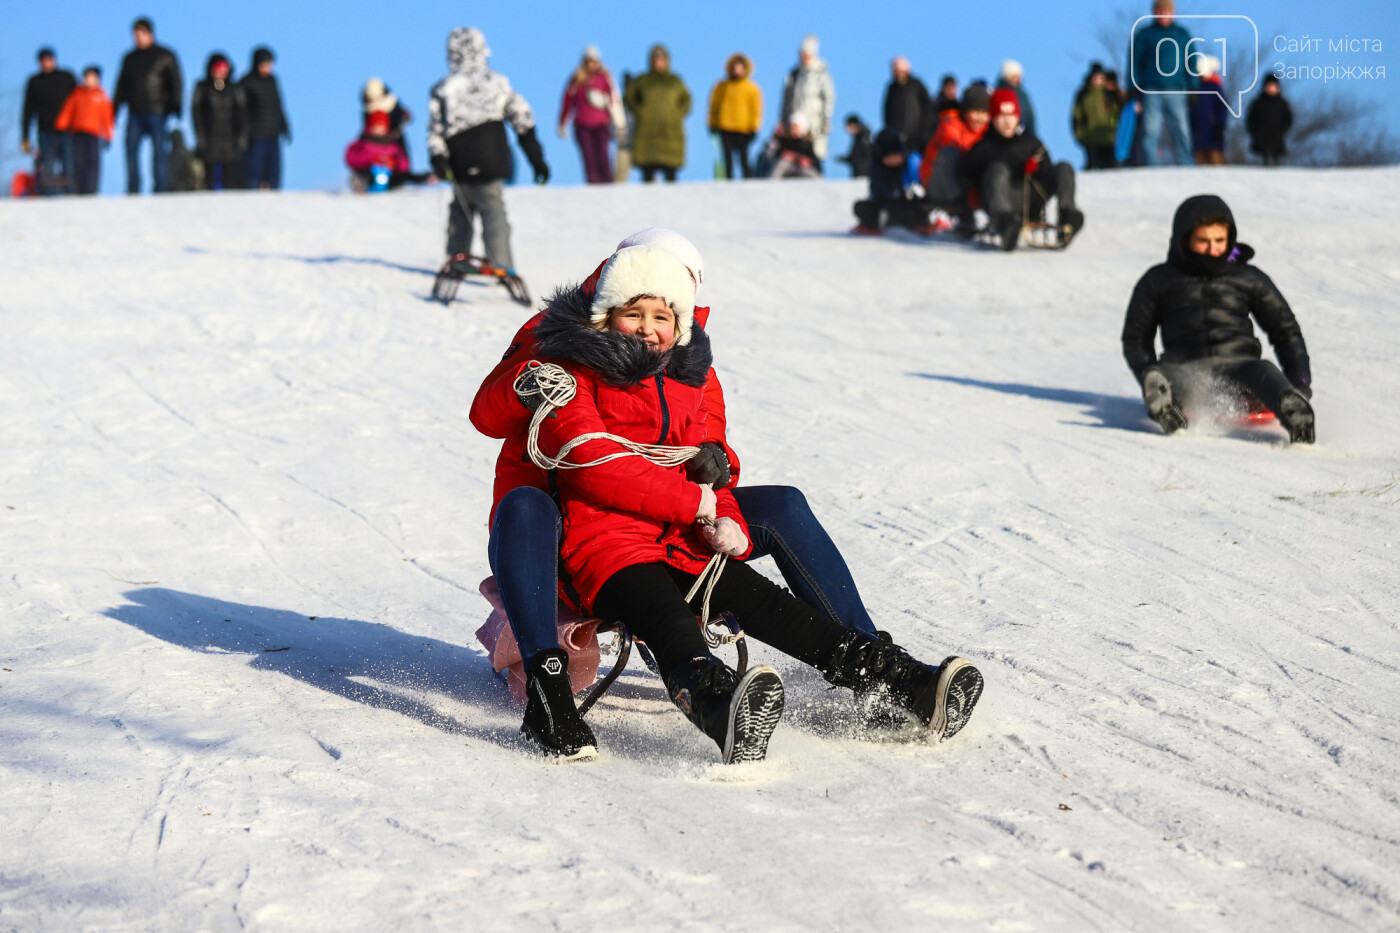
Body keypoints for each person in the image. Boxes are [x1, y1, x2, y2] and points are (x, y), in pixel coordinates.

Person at [518, 244, 984, 763]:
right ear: (607, 318)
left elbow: (710, 468)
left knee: (766, 604)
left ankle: (897, 681)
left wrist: (727, 518)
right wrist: (697, 505)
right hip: (607, 546)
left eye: (661, 316)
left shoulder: (684, 381)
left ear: (679, 323)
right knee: (667, 619)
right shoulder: (572, 374)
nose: (648, 327)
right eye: (633, 314)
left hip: (677, 541)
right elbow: (595, 467)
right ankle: (718, 705)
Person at [1122, 195, 1314, 443]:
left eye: (1219, 240)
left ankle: (1294, 411)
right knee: (1166, 375)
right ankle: (1163, 401)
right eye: (1203, 241)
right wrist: (1146, 374)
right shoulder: (1158, 280)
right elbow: (1135, 339)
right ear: (1184, 239)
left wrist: (1300, 383)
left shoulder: (1249, 277)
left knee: (1264, 371)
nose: (1213, 249)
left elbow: (1285, 330)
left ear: (1230, 238)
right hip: (1186, 371)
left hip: (1242, 369)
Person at [427, 28, 549, 273]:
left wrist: (438, 159)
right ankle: (501, 262)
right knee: (493, 210)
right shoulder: (497, 83)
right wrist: (536, 158)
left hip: (459, 162)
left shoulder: (444, 89)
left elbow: (435, 131)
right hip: (491, 158)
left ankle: (457, 260)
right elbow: (522, 118)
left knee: (461, 211)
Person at [961, 88, 1083, 251]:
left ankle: (1068, 217)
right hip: (1001, 199)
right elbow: (967, 175)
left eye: (1011, 116)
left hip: (1031, 197)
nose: (1007, 121)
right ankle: (1005, 224)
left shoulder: (1031, 143)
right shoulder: (984, 147)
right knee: (997, 170)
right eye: (1002, 116)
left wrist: (1037, 168)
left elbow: (1049, 173)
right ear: (993, 118)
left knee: (1064, 167)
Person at [113, 17, 183, 194]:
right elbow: (121, 85)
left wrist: (176, 106)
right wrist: (114, 109)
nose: (138, 38)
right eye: (135, 34)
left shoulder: (165, 55)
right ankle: (133, 188)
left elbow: (176, 82)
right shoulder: (129, 58)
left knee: (159, 152)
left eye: (141, 34)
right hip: (135, 112)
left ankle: (161, 188)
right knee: (130, 151)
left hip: (158, 112)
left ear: (150, 34)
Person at [1128, 0, 1194, 166]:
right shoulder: (1145, 34)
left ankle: (1187, 164)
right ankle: (1152, 166)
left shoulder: (1182, 34)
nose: (1164, 14)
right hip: (1151, 89)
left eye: (1167, 11)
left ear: (1173, 12)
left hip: (1176, 89)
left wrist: (1194, 86)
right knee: (1150, 131)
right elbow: (1134, 62)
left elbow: (1191, 60)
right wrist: (1132, 87)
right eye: (1160, 11)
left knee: (1182, 130)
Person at [918, 84, 991, 233]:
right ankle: (962, 212)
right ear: (965, 111)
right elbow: (957, 146)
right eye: (975, 112)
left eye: (984, 113)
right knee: (951, 153)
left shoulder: (988, 131)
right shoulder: (950, 124)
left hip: (966, 187)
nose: (979, 118)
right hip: (939, 184)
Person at [624, 44, 690, 183]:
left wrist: (677, 114)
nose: (658, 63)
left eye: (661, 59)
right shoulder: (642, 81)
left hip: (671, 131)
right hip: (647, 131)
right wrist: (640, 111)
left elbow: (686, 100)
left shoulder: (675, 81)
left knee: (670, 173)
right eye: (655, 59)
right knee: (648, 172)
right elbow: (630, 98)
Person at [558, 45, 622, 185]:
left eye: (593, 61)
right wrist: (563, 123)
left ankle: (608, 186)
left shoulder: (605, 78)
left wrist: (619, 124)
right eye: (588, 61)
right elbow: (568, 102)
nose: (591, 64)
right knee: (589, 158)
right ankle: (593, 189)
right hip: (582, 126)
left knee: (603, 157)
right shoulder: (577, 79)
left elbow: (614, 101)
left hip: (601, 125)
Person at [852, 128, 934, 235]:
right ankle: (875, 224)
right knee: (862, 207)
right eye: (888, 157)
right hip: (887, 208)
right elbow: (876, 193)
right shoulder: (878, 170)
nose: (893, 160)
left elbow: (923, 185)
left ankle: (921, 222)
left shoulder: (912, 163)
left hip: (909, 206)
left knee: (920, 206)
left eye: (896, 156)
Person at [21, 47, 77, 195]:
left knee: (69, 163)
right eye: (43, 61)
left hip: (67, 130)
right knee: (47, 164)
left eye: (49, 60)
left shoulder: (66, 77)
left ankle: (70, 194)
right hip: (45, 131)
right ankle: (50, 196)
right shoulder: (34, 82)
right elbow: (27, 110)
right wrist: (25, 137)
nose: (46, 63)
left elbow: (78, 102)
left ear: (54, 60)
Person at [190, 53, 247, 190]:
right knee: (209, 179)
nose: (221, 72)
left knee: (230, 180)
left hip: (230, 140)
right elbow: (196, 114)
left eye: (224, 68)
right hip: (210, 139)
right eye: (218, 68)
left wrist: (241, 137)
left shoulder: (235, 89)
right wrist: (201, 137)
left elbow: (242, 115)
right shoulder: (202, 88)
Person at [53, 66, 113, 195]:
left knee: (93, 163)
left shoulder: (101, 97)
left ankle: (91, 190)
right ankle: (78, 190)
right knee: (78, 162)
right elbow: (67, 112)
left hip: (94, 134)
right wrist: (60, 126)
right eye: (87, 78)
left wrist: (109, 135)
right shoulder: (76, 96)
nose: (89, 81)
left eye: (93, 78)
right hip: (78, 134)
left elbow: (107, 118)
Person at [780, 36, 835, 165]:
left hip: (814, 120)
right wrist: (783, 120)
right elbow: (786, 98)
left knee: (814, 153)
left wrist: (826, 119)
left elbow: (829, 98)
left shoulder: (821, 73)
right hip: (795, 120)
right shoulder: (794, 74)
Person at [240, 47, 290, 190]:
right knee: (254, 173)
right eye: (264, 64)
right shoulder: (246, 82)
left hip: (273, 133)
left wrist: (284, 125)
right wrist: (246, 132)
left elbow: (278, 104)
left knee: (274, 172)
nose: (268, 68)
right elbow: (242, 112)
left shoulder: (273, 81)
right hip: (256, 136)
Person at [707, 52, 762, 180]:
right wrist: (712, 123)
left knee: (744, 156)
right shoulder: (722, 87)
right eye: (735, 67)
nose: (737, 70)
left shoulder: (751, 88)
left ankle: (748, 179)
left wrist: (754, 127)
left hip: (743, 128)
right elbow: (714, 105)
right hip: (725, 126)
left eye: (740, 68)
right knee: (727, 157)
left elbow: (756, 108)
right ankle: (728, 180)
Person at [1072, 63, 1120, 170]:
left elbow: (1117, 111)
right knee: (1093, 167)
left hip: (1109, 137)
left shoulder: (1109, 93)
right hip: (1090, 137)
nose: (1098, 80)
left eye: (1101, 77)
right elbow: (1077, 116)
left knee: (1111, 168)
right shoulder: (1084, 94)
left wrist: (1114, 127)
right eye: (1096, 77)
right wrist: (1080, 134)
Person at [882, 57, 933, 154]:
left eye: (901, 71)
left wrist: (923, 132)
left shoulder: (916, 85)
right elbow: (886, 111)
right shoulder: (891, 89)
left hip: (916, 137)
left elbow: (928, 107)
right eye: (896, 71)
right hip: (897, 138)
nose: (898, 74)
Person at [362, 77, 412, 164]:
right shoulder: (367, 110)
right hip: (375, 147)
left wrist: (405, 116)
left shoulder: (392, 102)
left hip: (393, 140)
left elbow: (402, 115)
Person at [1246, 75, 1292, 167]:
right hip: (1261, 137)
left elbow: (1288, 119)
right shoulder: (1258, 103)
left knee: (1275, 158)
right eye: (1269, 86)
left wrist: (1281, 130)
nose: (1271, 89)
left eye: (1273, 86)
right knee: (1264, 158)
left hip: (1277, 137)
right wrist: (1255, 132)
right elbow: (1250, 119)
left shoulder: (1282, 103)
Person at [1191, 56, 1228, 165]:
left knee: (1215, 158)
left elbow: (1222, 108)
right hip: (1198, 134)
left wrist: (1221, 124)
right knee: (1200, 160)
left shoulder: (1215, 87)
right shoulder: (1196, 88)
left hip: (1213, 132)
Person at [764, 113, 822, 179]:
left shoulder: (807, 144)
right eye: (791, 127)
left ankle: (820, 186)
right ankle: (770, 184)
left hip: (801, 169)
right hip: (787, 169)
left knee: (811, 173)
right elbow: (771, 155)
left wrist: (807, 161)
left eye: (795, 127)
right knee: (781, 164)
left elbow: (816, 162)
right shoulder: (784, 141)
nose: (793, 130)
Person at [995, 60, 1036, 139]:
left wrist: (1033, 138)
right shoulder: (997, 95)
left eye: (1018, 77)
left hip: (1022, 136)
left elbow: (1031, 120)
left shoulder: (1024, 97)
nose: (1016, 79)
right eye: (1013, 76)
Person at [837, 114, 872, 178]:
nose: (847, 129)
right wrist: (845, 159)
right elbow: (855, 157)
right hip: (859, 175)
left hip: (864, 176)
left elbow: (867, 156)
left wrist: (862, 172)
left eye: (848, 127)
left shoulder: (864, 137)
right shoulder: (858, 138)